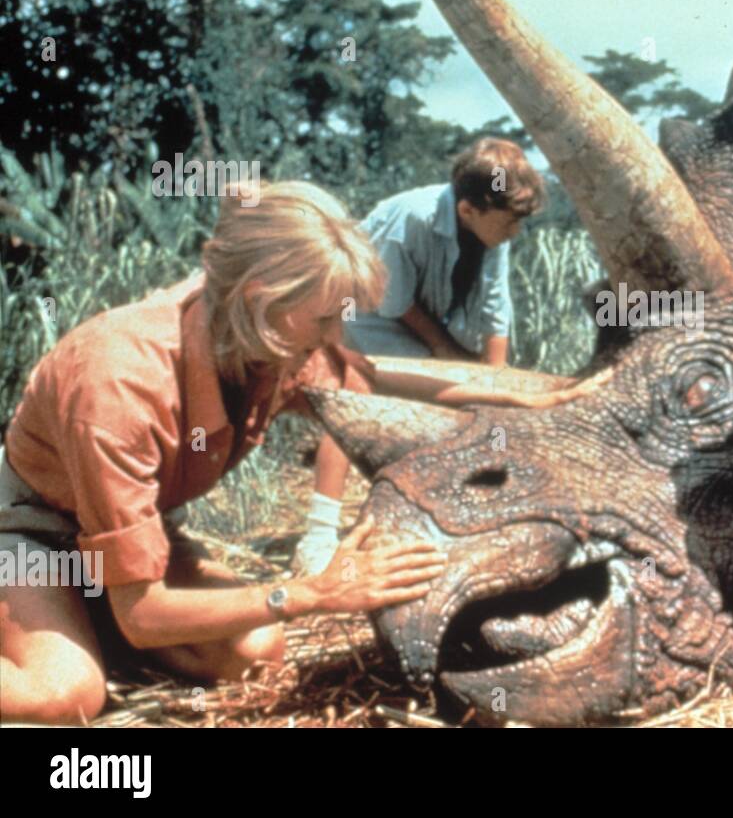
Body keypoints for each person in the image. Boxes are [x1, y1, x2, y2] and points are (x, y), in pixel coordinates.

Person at [0, 181, 457, 724]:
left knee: (254, 652)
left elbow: (376, 388)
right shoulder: (118, 380)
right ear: (260, 297)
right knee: (63, 696)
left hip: (123, 542)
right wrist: (312, 592)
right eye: (326, 319)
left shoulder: (266, 341)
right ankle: (66, 629)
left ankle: (83, 621)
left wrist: (536, 394)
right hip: (31, 532)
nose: (338, 335)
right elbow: (145, 613)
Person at [296, 138, 546, 576]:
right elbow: (394, 302)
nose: (515, 234)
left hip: (430, 322)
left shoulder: (495, 222)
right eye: (509, 224)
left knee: (483, 402)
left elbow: (494, 307)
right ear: (468, 210)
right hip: (364, 316)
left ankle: (447, 516)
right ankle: (318, 537)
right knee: (354, 396)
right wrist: (446, 356)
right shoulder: (409, 218)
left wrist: (497, 383)